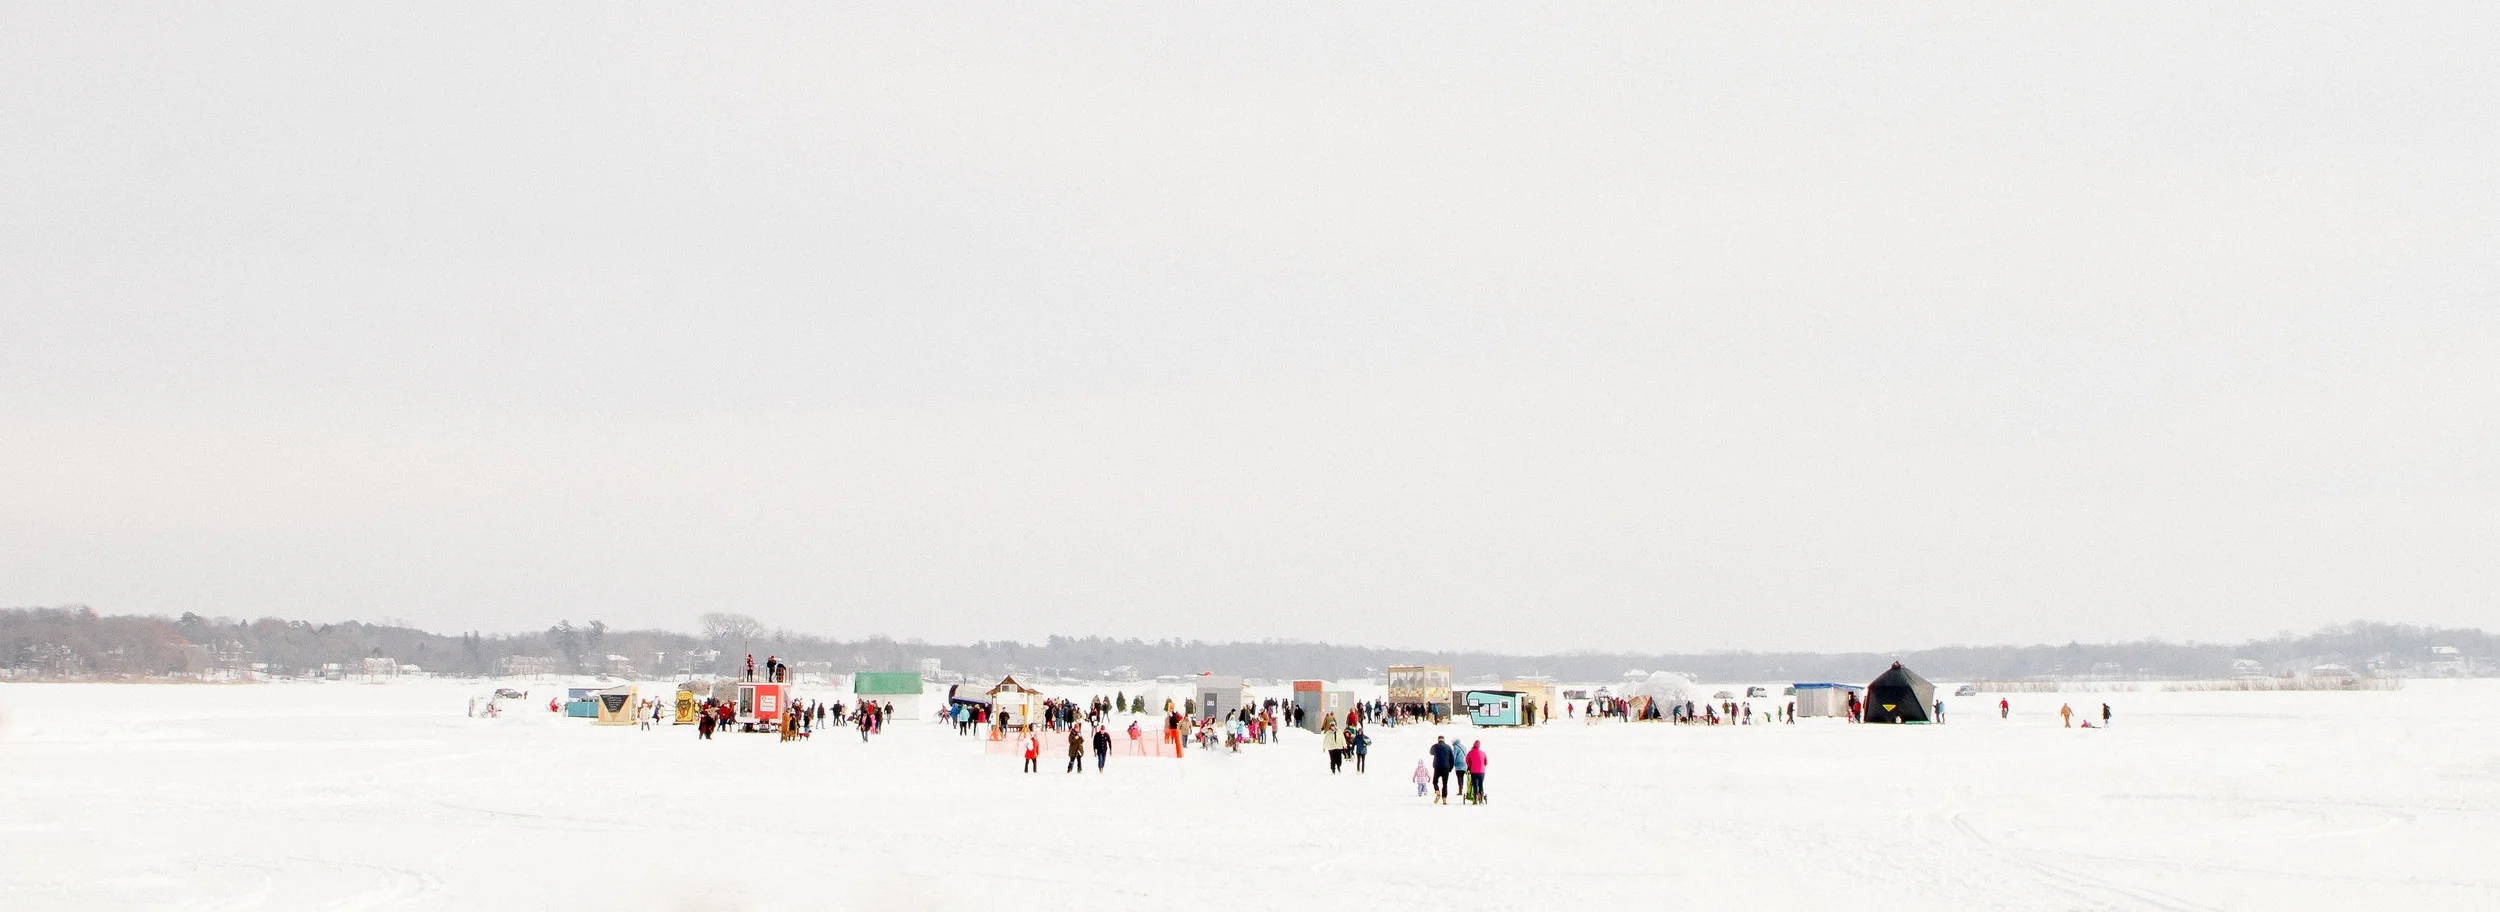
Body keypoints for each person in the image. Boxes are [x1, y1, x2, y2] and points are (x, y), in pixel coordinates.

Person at [1429, 736, 1455, 804]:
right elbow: (1452, 759)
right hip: (1446, 768)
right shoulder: (1448, 747)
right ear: (1444, 740)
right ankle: (1444, 800)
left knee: (1435, 781)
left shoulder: (1435, 746)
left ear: (1438, 740)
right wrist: (1450, 768)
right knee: (1445, 784)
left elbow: (1431, 752)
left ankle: (1437, 792)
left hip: (1437, 767)